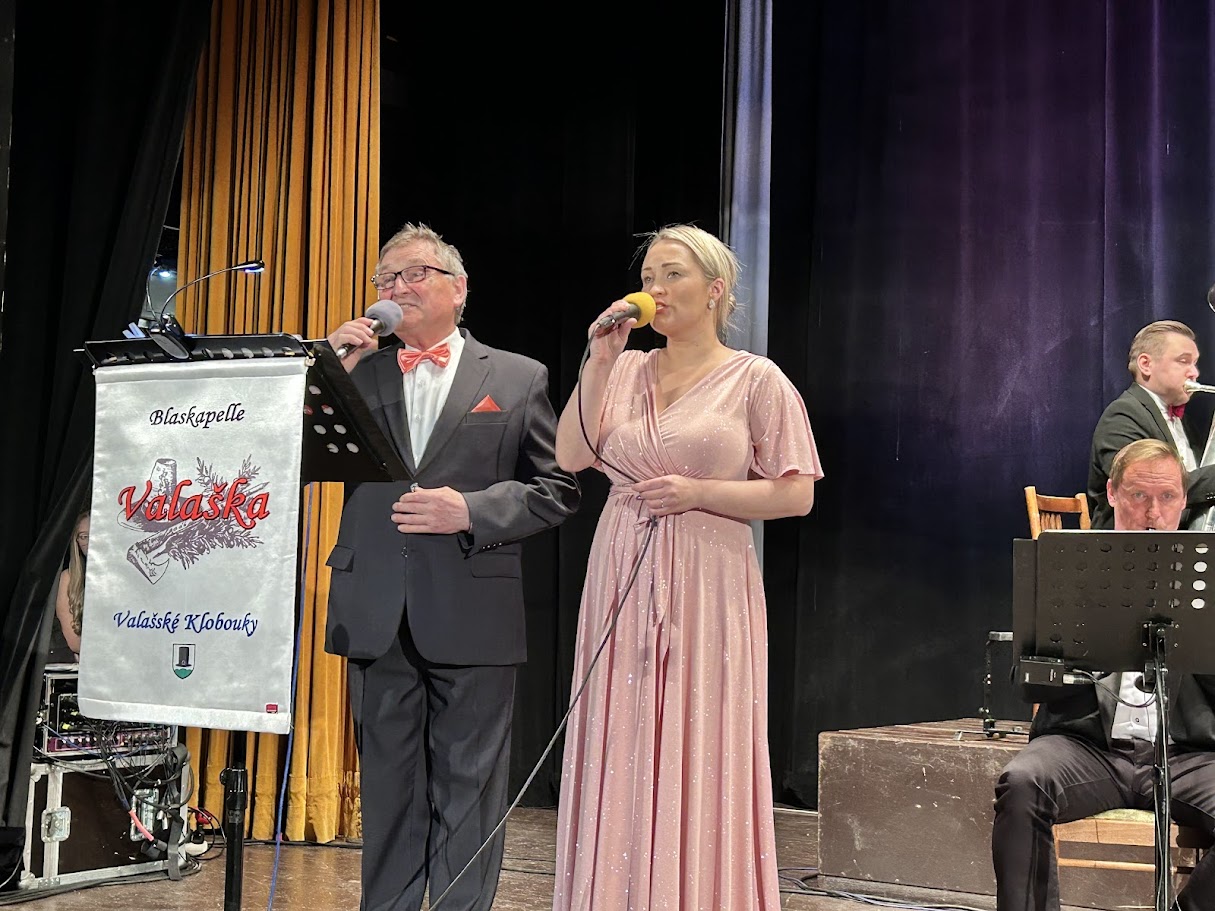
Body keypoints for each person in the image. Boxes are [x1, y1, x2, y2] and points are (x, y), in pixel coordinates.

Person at [551, 224, 823, 910]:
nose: (655, 289)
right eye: (648, 276)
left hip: (709, 576)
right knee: (620, 727)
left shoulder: (756, 378)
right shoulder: (626, 369)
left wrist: (699, 492)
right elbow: (571, 455)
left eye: (672, 274)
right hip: (621, 565)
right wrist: (598, 360)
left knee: (701, 733)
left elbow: (795, 495)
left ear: (714, 290)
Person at [323, 223, 580, 911]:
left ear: (459, 288)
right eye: (386, 278)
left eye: (415, 273)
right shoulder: (356, 371)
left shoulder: (518, 376)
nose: (397, 287)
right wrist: (328, 374)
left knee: (468, 790)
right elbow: (289, 457)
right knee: (388, 792)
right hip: (375, 607)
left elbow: (557, 488)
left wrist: (469, 510)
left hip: (473, 608)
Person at [994, 438, 1215, 910]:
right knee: (1022, 782)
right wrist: (1081, 657)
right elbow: (1026, 684)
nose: (1153, 512)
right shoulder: (1067, 569)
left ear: (1184, 500)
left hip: (1186, 754)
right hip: (1088, 747)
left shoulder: (1207, 576)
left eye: (1168, 497)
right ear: (1112, 493)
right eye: (1139, 495)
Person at [1087, 320, 1215, 528]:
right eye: (1183, 361)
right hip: (1131, 544)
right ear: (1146, 364)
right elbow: (1150, 488)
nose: (1194, 373)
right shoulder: (1122, 416)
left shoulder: (1183, 422)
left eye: (1194, 363)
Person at [52, 510, 90, 660]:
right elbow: (73, 641)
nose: (91, 541)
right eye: (84, 536)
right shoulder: (68, 578)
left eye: (95, 534)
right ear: (77, 541)